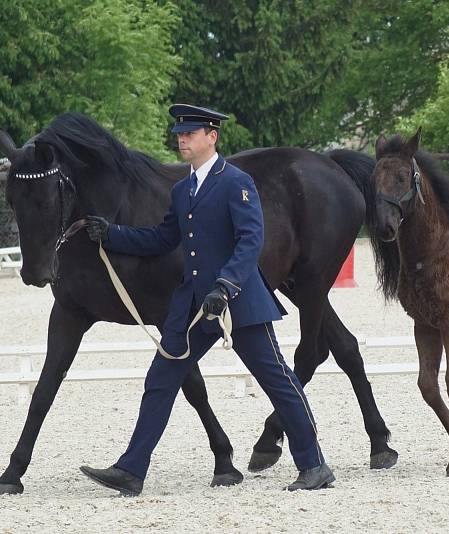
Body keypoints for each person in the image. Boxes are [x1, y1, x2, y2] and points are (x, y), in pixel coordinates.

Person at [79, 104, 334, 495]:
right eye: (179, 134)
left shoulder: (237, 182)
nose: (182, 139)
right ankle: (131, 470)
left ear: (211, 137)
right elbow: (163, 239)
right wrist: (111, 234)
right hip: (194, 307)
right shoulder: (183, 190)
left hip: (238, 302)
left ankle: (314, 465)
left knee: (278, 381)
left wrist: (226, 286)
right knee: (160, 379)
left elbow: (251, 241)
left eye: (190, 133)